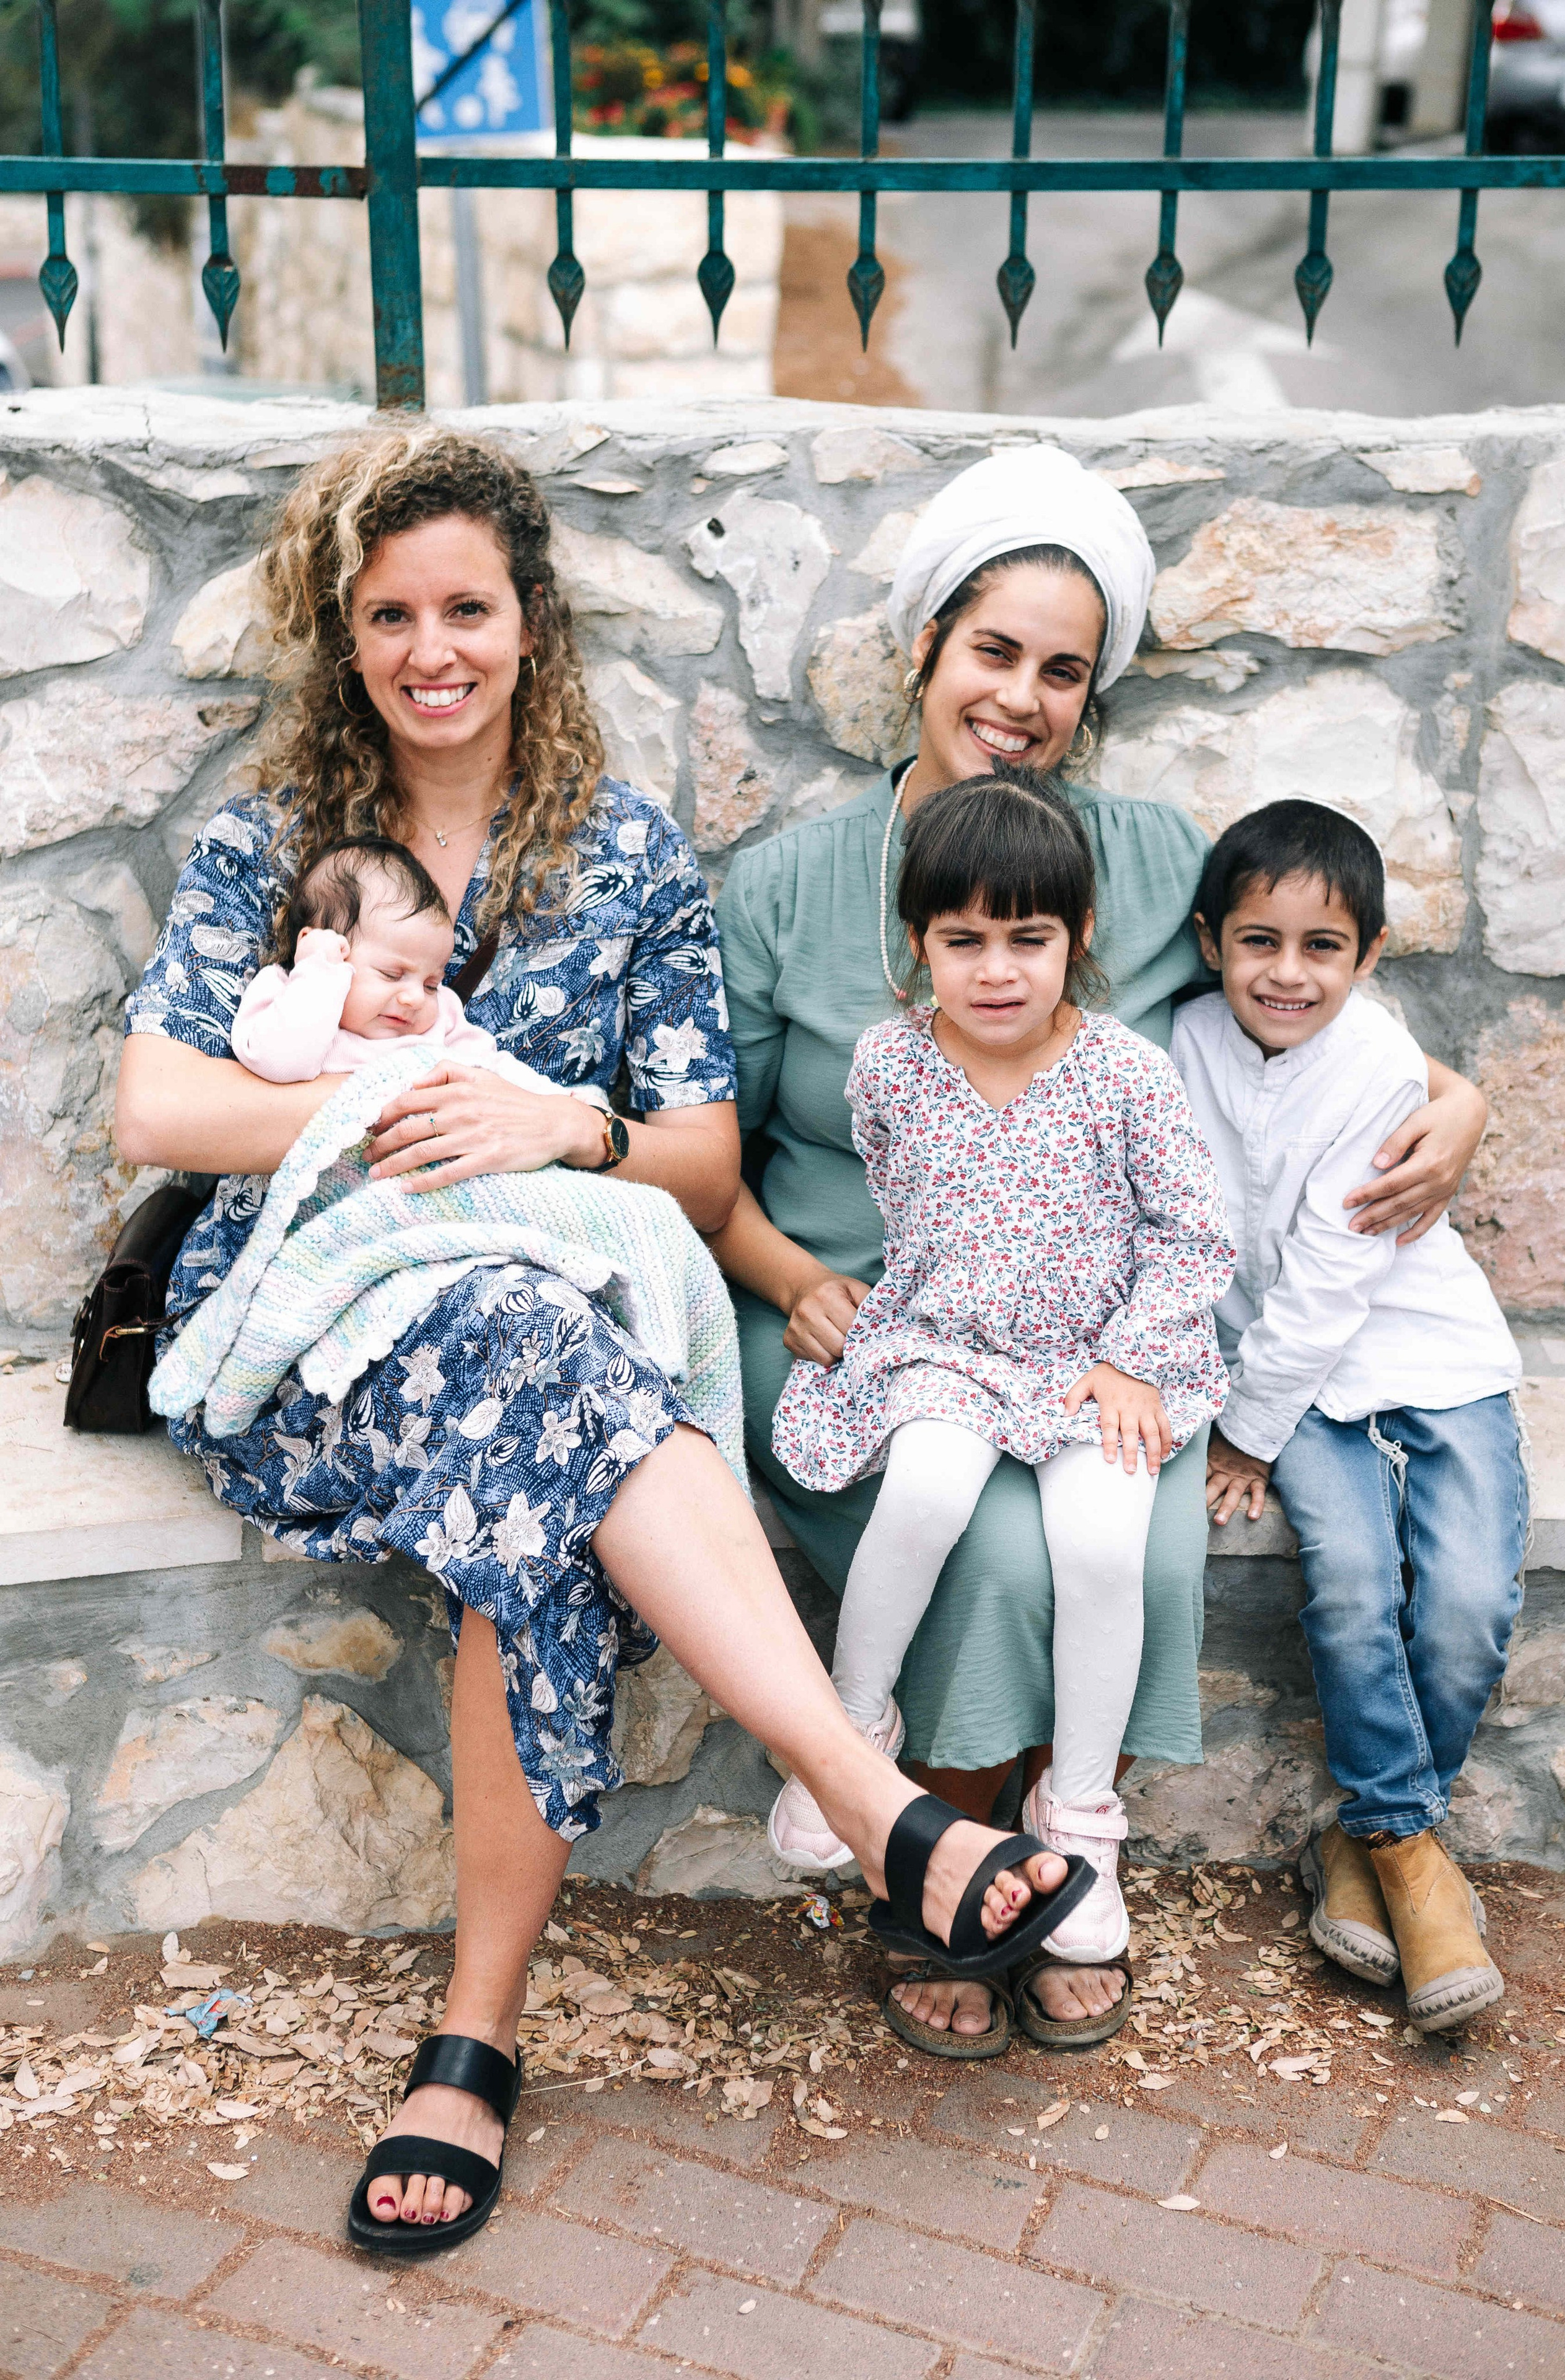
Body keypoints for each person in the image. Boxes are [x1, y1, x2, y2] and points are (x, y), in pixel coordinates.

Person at [115, 424, 1082, 2253]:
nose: (431, 650)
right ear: (346, 637)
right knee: (546, 1375)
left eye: (465, 608)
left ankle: (471, 2042)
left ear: (530, 621)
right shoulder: (272, 844)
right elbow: (158, 1106)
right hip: (313, 1335)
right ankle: (861, 1794)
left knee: (538, 1445)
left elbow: (699, 1158)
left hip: (531, 1340)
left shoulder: (623, 851)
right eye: (389, 615)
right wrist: (398, 1107)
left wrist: (557, 1124)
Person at [712, 444, 1493, 2055]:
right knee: (981, 1541)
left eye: (1062, 672)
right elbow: (700, 1152)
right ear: (924, 650)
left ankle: (1066, 1847)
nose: (1020, 698)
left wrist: (1452, 1093)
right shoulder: (785, 883)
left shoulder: (1143, 857)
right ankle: (935, 1861)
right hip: (851, 1311)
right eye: (993, 651)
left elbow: (1294, 987)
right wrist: (789, 1277)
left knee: (1114, 1524)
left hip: (1093, 1313)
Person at [765, 769, 1234, 2017]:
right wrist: (948, 1312)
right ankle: (848, 1739)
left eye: (1027, 938)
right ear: (916, 945)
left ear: (1079, 937)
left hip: (1094, 1359)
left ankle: (1077, 1816)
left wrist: (1130, 1356)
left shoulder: (1125, 1074)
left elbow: (1193, 1235)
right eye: (961, 939)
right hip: (950, 1343)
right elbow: (906, 1200)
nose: (995, 970)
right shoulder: (889, 1064)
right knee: (923, 1490)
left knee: (1102, 1546)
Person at [1177, 801, 1524, 2034]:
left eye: (1321, 946)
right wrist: (1255, 1415)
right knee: (1351, 1587)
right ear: (1211, 941)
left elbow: (1333, 1274)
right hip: (1301, 1388)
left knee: (1470, 1602)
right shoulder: (1182, 1045)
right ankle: (1408, 1854)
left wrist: (1241, 1435)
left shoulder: (1379, 1063)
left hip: (1426, 1353)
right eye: (1257, 941)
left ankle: (1368, 1836)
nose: (1287, 972)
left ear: (1368, 955)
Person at [231, 833, 604, 1105]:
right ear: (319, 945)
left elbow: (492, 1070)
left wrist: (558, 1101)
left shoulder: (442, 1018)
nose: (414, 998)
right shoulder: (284, 995)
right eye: (392, 975)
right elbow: (282, 1064)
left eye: (431, 984)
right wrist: (318, 971)